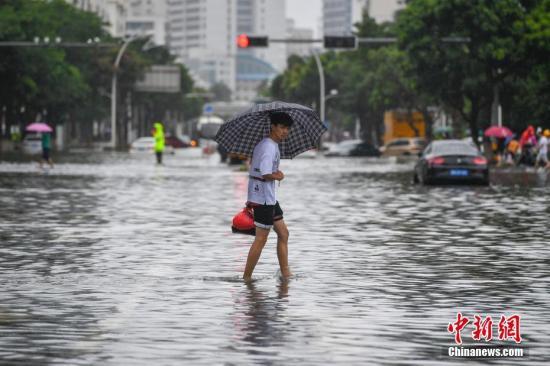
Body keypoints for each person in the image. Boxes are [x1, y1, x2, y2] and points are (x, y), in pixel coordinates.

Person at [243, 111, 293, 281]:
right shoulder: (269, 147)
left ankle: (286, 274)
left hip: (269, 197)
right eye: (282, 127)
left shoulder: (269, 144)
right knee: (261, 239)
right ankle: (246, 277)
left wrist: (275, 173)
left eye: (287, 128)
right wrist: (277, 175)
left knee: (283, 233)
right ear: (273, 127)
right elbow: (265, 173)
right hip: (262, 198)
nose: (285, 131)